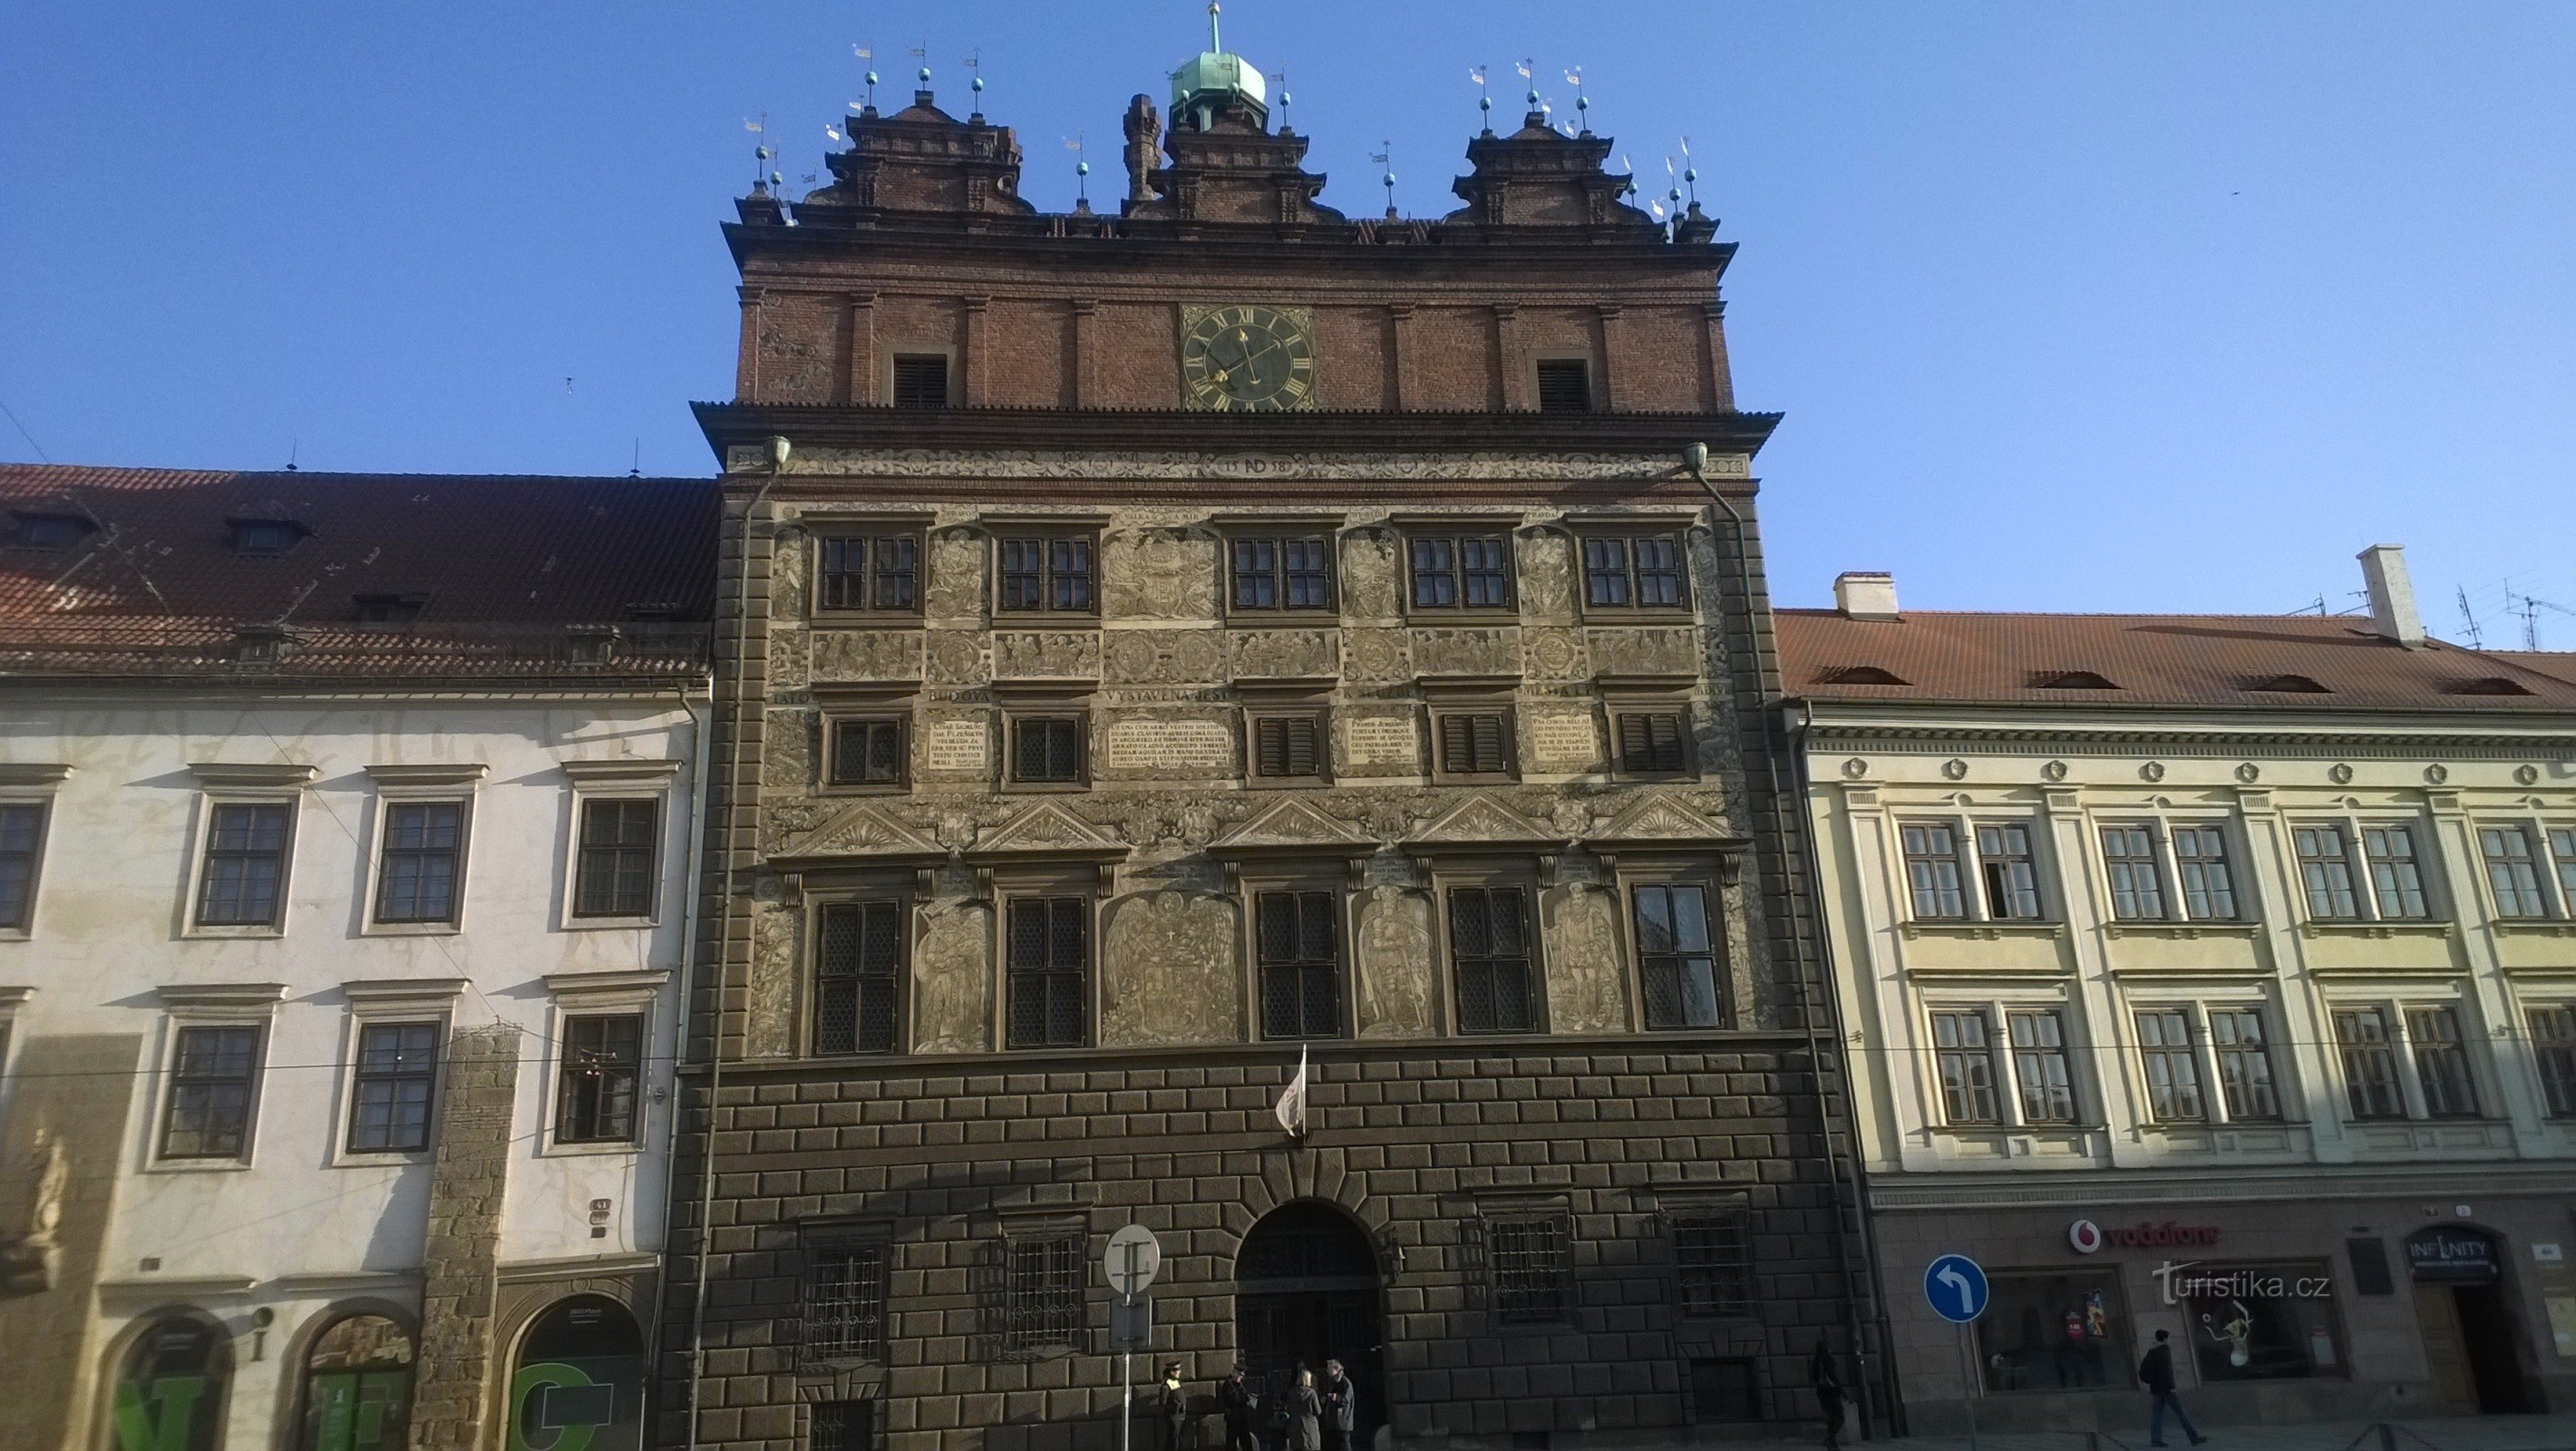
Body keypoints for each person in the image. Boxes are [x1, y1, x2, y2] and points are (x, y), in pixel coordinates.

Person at [2138, 1329, 2208, 1447]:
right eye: (2169, 1338)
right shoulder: (2164, 1351)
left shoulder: (2152, 1350)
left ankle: (2155, 1440)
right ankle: (2194, 1437)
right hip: (2166, 1389)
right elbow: (2167, 1372)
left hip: (2156, 1388)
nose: (2170, 1340)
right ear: (2165, 1339)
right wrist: (2172, 1388)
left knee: (2156, 1415)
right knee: (2181, 1413)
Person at [1808, 1339, 1845, 1450]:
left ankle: (1831, 1442)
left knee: (1831, 1416)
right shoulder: (1827, 1359)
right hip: (1831, 1391)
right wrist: (1842, 1391)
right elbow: (1833, 1377)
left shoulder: (1816, 1360)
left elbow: (1814, 1378)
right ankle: (1831, 1439)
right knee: (1839, 1416)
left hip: (1821, 1392)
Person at [1218, 1365, 1260, 1451]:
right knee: (1232, 1443)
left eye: (1242, 1376)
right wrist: (1246, 1399)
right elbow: (1234, 1399)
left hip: (1241, 1417)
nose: (1241, 1378)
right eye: (1240, 1375)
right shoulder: (1228, 1385)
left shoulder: (1240, 1384)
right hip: (1233, 1418)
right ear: (1234, 1373)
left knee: (1246, 1442)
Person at [1318, 1359, 1356, 1451]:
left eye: (1329, 1368)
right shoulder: (1333, 1382)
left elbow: (1346, 1400)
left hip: (1342, 1421)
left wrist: (1337, 1397)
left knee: (1344, 1445)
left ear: (1336, 1369)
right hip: (1334, 1423)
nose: (1327, 1371)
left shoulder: (1345, 1382)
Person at [1291, 1367, 1324, 1451]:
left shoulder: (1291, 1393)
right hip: (1310, 1428)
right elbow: (1318, 1411)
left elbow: (1288, 1410)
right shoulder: (1311, 1393)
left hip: (1296, 1428)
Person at [1161, 1362, 1191, 1451]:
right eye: (1177, 1370)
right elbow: (1162, 1402)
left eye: (1179, 1369)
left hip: (1182, 1415)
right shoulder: (1166, 1385)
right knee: (1173, 1440)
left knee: (1180, 1439)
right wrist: (1174, 1406)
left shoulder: (1178, 1383)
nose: (1179, 1372)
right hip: (1174, 1416)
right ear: (1171, 1372)